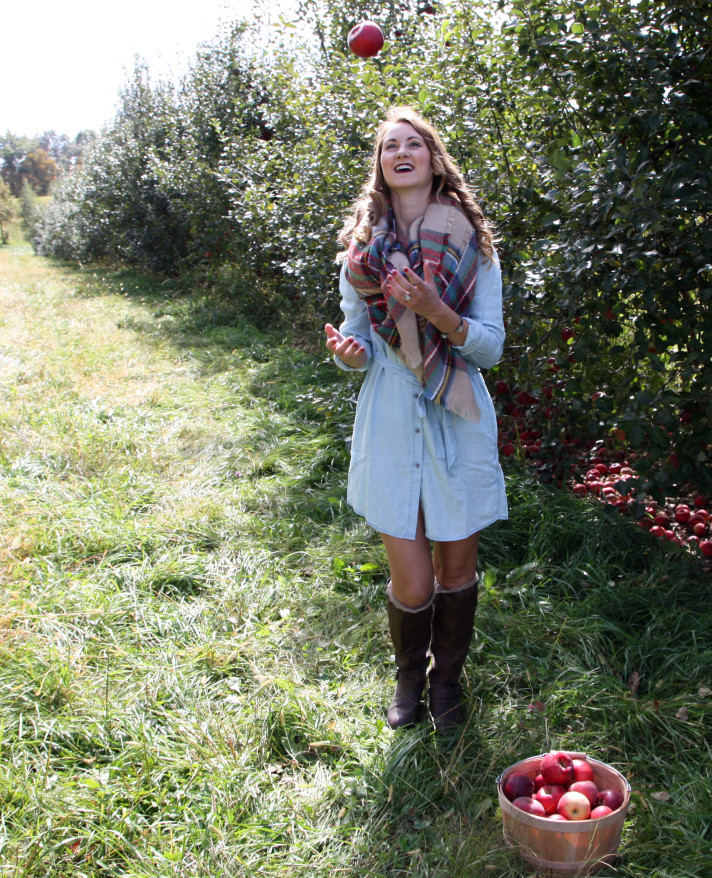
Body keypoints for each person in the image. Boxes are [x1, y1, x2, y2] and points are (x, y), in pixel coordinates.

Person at [323, 107, 508, 732]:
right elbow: (359, 335)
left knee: (456, 568)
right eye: (388, 146)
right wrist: (349, 354)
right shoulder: (362, 254)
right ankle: (409, 679)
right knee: (414, 575)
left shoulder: (472, 245)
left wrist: (439, 312)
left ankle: (447, 683)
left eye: (413, 144)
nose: (400, 152)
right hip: (394, 416)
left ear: (433, 157)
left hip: (457, 416)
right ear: (381, 166)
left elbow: (490, 347)